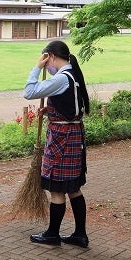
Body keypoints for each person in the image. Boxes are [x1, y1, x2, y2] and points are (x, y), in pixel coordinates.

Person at [23, 40, 91, 248]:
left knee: (57, 187)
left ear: (51, 56)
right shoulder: (73, 75)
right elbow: (73, 106)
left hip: (62, 139)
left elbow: (29, 92)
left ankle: (53, 234)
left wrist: (37, 68)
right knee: (73, 188)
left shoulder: (61, 77)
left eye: (47, 59)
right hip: (74, 135)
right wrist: (51, 110)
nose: (47, 65)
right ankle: (80, 234)